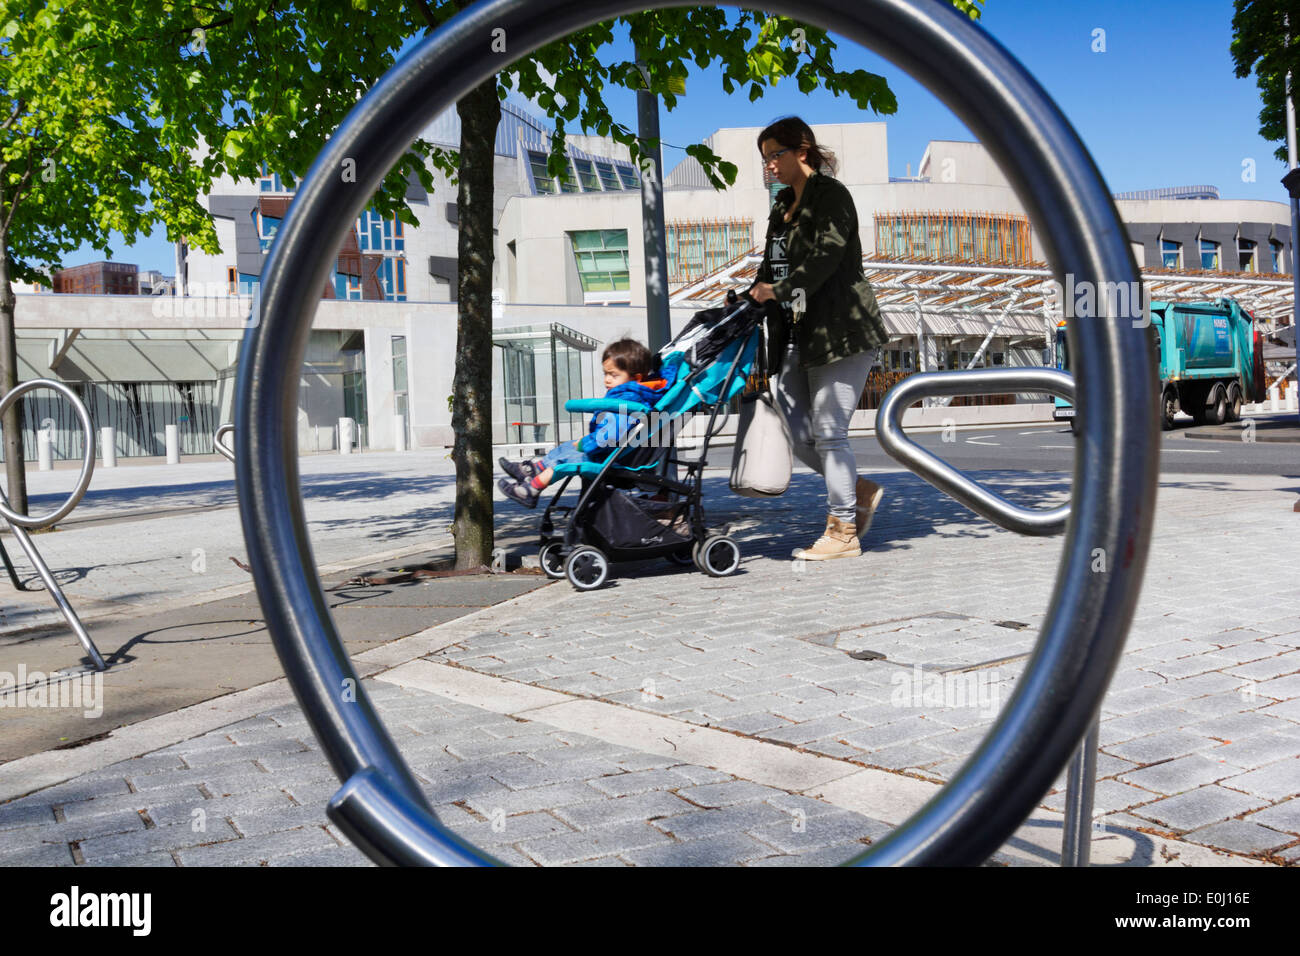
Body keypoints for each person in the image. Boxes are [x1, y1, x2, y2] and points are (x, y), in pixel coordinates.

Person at [748, 116, 889, 561]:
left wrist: (780, 289)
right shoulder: (781, 206)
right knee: (797, 430)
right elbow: (771, 267)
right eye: (765, 157)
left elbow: (827, 256)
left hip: (843, 329)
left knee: (829, 434)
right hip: (796, 334)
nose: (769, 164)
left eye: (775, 154)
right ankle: (859, 488)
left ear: (801, 152)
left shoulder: (832, 196)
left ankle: (843, 532)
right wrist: (751, 295)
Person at [498, 338, 668, 508]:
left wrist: (587, 444)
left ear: (636, 378)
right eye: (605, 373)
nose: (607, 380)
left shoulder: (629, 401)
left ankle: (530, 490)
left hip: (610, 458)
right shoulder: (628, 396)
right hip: (609, 452)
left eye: (613, 375)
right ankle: (534, 469)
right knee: (568, 447)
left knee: (568, 459)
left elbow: (610, 436)